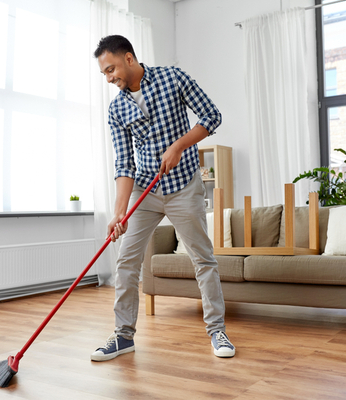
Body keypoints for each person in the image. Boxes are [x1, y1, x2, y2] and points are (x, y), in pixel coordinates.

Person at [90, 35, 235, 362]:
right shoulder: (117, 109)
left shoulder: (173, 77)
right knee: (126, 262)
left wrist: (179, 146)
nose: (109, 77)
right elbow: (124, 163)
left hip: (184, 185)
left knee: (203, 259)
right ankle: (123, 337)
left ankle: (217, 331)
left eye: (111, 69)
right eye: (104, 74)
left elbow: (212, 116)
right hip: (146, 189)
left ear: (129, 58)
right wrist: (119, 213)